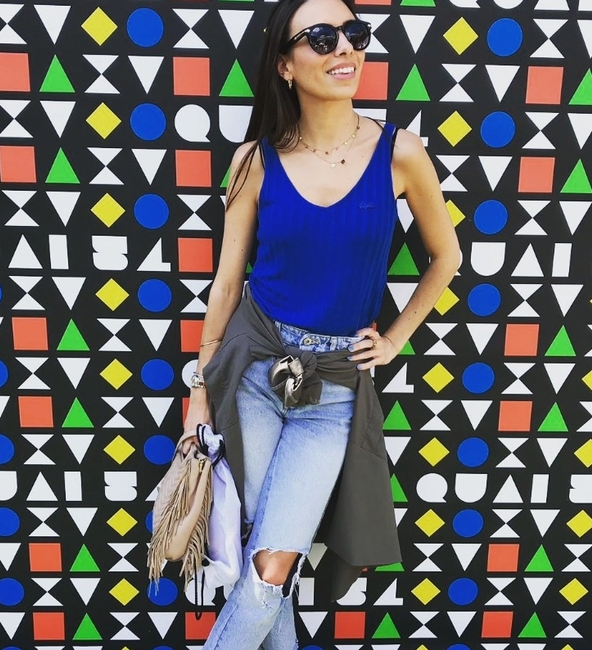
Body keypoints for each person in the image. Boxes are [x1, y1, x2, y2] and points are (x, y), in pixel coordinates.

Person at [181, 0, 461, 647]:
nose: (345, 48)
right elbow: (226, 284)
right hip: (252, 373)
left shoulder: (399, 152)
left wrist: (394, 339)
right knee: (262, 555)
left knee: (271, 562)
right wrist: (199, 391)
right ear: (285, 64)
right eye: (322, 37)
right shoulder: (253, 161)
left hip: (333, 391)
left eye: (354, 33)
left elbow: (446, 257)